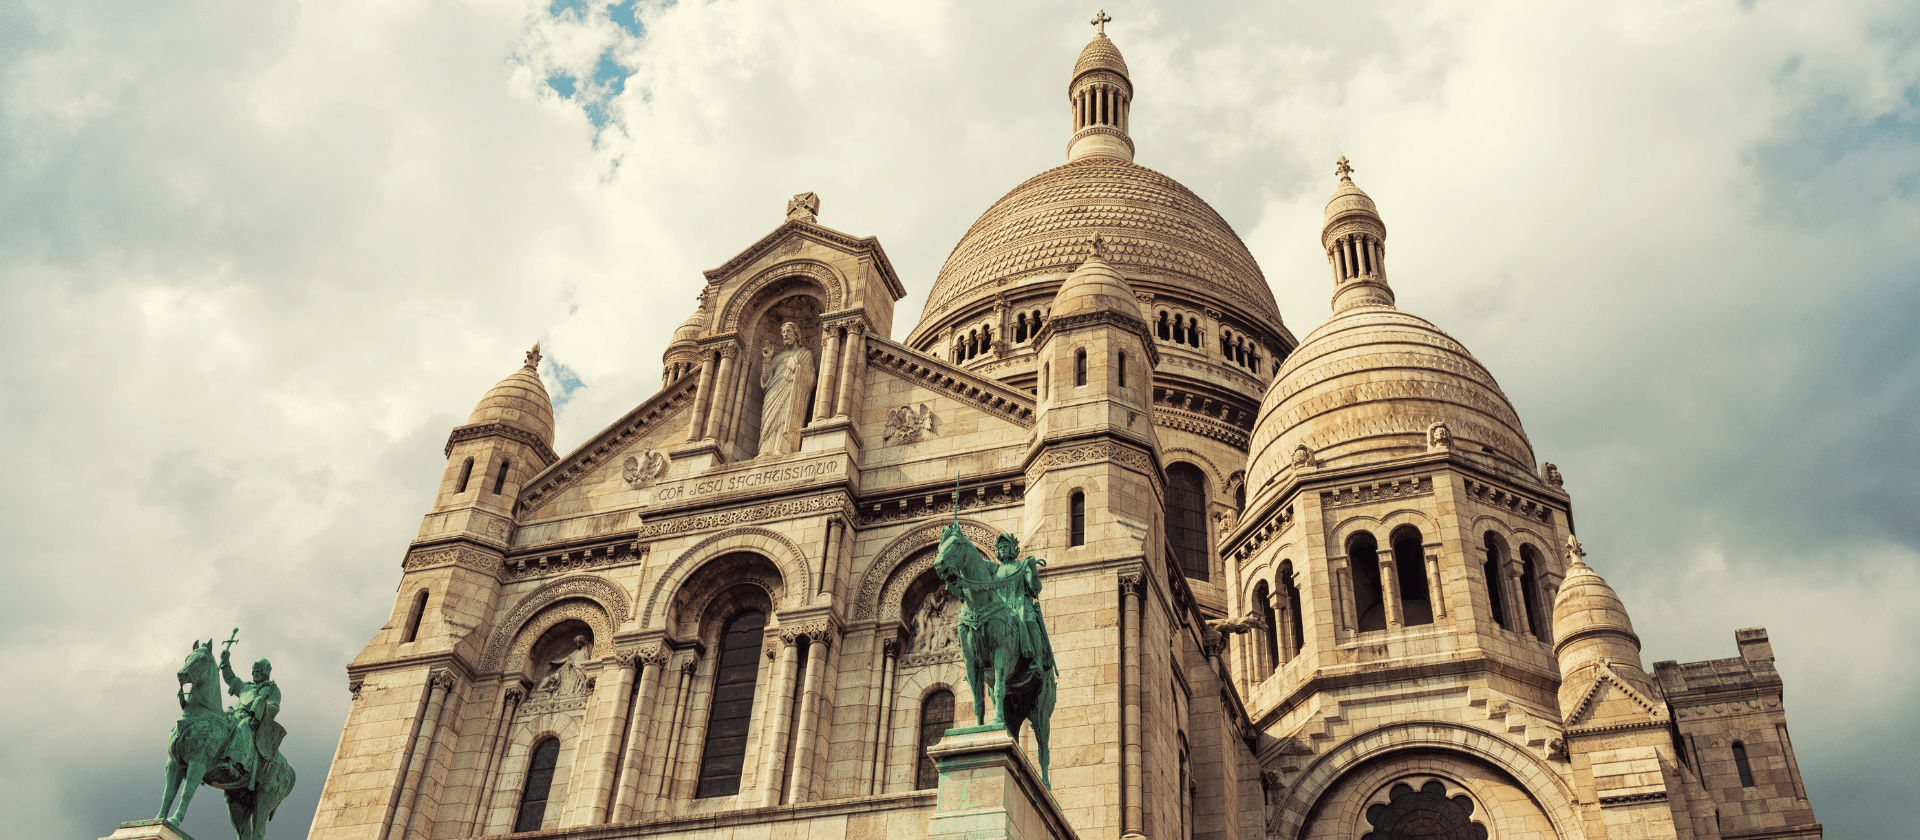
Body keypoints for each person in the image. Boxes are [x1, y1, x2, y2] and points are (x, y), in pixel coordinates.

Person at [219, 650, 283, 789]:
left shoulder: (272, 689)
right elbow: (230, 678)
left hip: (252, 720)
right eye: (254, 672)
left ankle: (236, 765)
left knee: (243, 726)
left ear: (265, 673)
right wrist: (225, 662)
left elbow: (274, 707)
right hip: (235, 715)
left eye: (258, 672)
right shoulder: (246, 687)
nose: (255, 674)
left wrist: (262, 703)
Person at [758, 322, 816, 456]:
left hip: (792, 391)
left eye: (788, 331)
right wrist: (767, 360)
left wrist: (796, 369)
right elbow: (766, 380)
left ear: (796, 335)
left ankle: (782, 448)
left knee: (785, 418)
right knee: (769, 421)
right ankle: (766, 449)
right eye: (783, 332)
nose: (785, 335)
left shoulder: (805, 354)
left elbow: (811, 379)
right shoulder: (778, 357)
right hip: (773, 392)